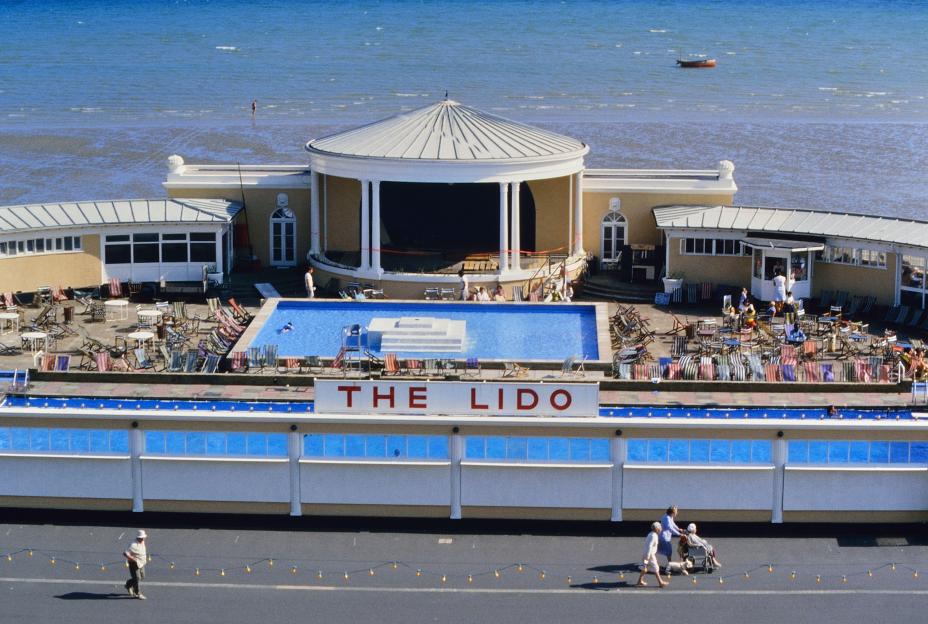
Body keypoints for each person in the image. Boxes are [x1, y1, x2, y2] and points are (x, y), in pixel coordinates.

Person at [636, 522, 668, 588]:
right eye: (660, 528)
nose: (661, 529)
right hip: (650, 555)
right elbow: (650, 546)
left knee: (645, 568)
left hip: (646, 554)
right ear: (657, 529)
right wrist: (648, 556)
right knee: (656, 568)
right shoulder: (654, 536)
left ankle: (639, 581)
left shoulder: (650, 534)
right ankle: (660, 582)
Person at [123, 530, 148, 599]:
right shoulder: (133, 545)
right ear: (138, 538)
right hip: (134, 564)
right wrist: (132, 558)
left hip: (141, 563)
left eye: (143, 537)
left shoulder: (142, 541)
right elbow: (125, 553)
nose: (143, 539)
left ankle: (128, 585)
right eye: (142, 537)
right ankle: (137, 593)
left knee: (142, 577)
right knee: (137, 578)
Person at [659, 505, 683, 574]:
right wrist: (679, 534)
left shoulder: (669, 517)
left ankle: (669, 564)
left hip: (666, 537)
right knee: (669, 551)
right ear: (672, 513)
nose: (677, 513)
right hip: (664, 537)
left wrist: (678, 529)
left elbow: (673, 524)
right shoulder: (666, 518)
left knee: (666, 551)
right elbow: (670, 528)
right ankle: (670, 565)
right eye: (676, 512)